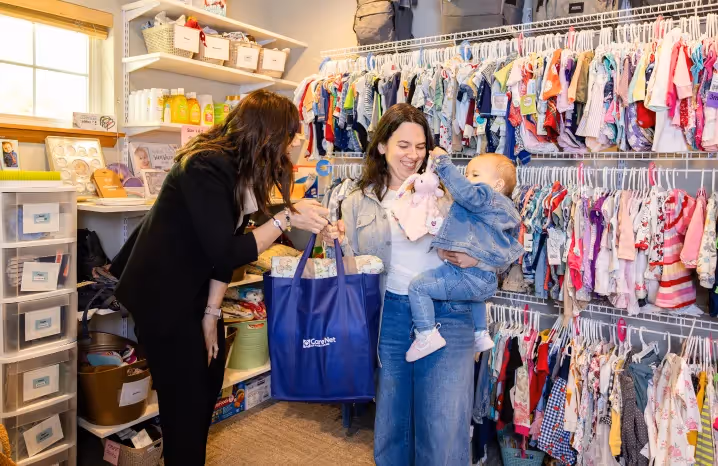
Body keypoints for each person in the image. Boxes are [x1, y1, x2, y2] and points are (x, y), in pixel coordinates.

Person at [112, 90, 329, 466]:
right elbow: (227, 251)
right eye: (291, 133)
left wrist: (211, 315)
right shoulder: (205, 166)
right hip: (160, 292)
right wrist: (285, 219)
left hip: (192, 286)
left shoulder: (244, 167)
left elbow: (226, 246)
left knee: (209, 379)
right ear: (266, 132)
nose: (295, 141)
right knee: (185, 402)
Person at [321, 103, 479, 465]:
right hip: (389, 313)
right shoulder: (358, 201)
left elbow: (488, 242)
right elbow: (349, 272)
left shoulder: (445, 192)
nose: (413, 155)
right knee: (392, 422)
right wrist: (336, 242)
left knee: (443, 424)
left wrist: (474, 257)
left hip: (448, 312)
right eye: (403, 145)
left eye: (420, 146)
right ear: (381, 146)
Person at [405, 152, 523, 363]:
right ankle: (480, 334)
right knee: (474, 298)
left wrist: (443, 163)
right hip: (485, 281)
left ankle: (426, 335)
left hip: (468, 276)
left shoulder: (485, 198)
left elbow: (466, 193)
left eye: (475, 174)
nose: (468, 179)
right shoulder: (504, 211)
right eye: (466, 174)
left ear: (496, 185)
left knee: (418, 287)